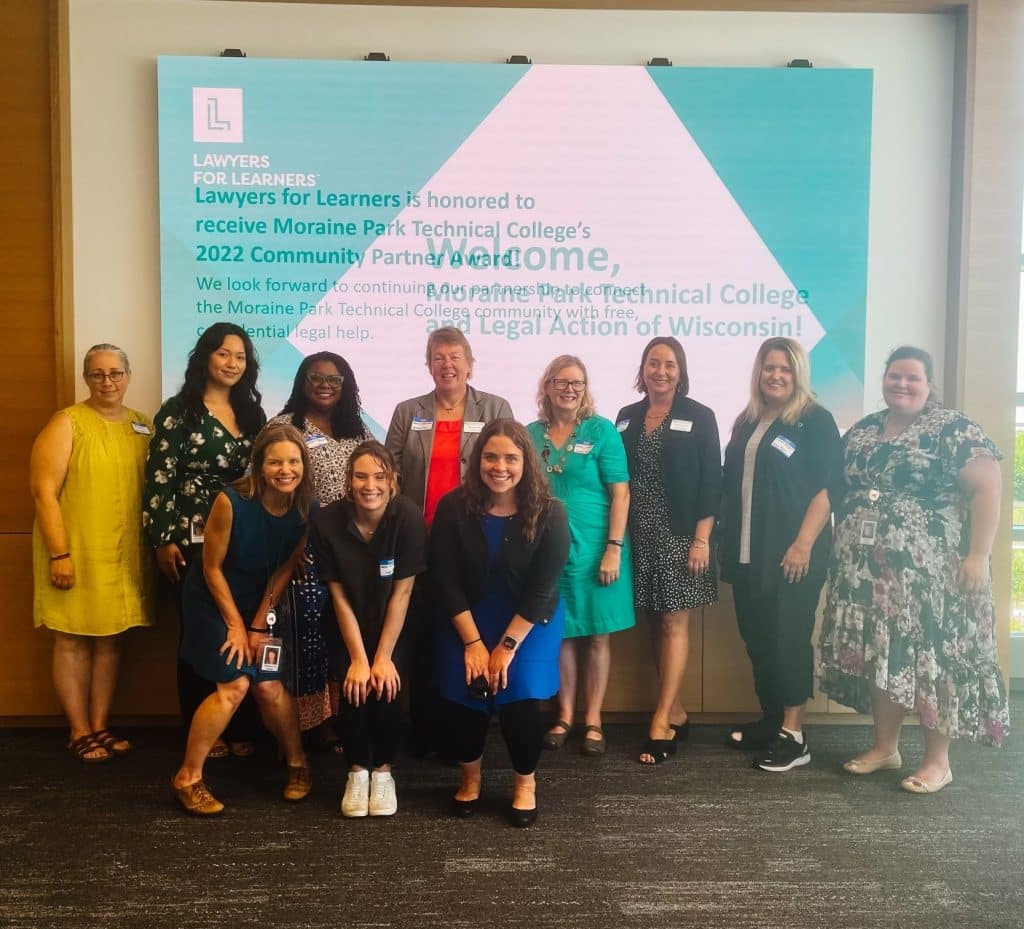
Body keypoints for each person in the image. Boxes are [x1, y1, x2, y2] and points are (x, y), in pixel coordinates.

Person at [819, 345, 1010, 793]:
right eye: (894, 376)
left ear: (929, 385)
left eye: (912, 378)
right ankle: (885, 748)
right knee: (885, 659)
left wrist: (979, 555)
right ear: (883, 379)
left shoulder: (954, 429)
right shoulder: (866, 429)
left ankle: (937, 762)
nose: (901, 384)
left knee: (931, 661)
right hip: (867, 575)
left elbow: (988, 489)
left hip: (932, 575)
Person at [431, 420, 569, 827]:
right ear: (477, 461)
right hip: (466, 616)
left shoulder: (551, 513)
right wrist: (473, 643)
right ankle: (470, 778)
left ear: (526, 461)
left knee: (520, 692)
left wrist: (505, 648)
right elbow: (444, 578)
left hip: (528, 621)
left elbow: (542, 589)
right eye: (491, 456)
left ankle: (525, 783)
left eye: (511, 457)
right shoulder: (453, 506)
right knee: (464, 689)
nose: (500, 466)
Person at [171, 424, 314, 815]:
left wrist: (257, 624)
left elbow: (285, 568)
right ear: (259, 465)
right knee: (234, 684)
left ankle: (299, 764)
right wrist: (236, 625)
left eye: (293, 461)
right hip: (212, 600)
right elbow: (211, 568)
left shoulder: (305, 506)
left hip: (259, 603)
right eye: (275, 462)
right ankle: (188, 778)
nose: (285, 470)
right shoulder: (231, 501)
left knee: (268, 686)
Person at [385, 326, 513, 757]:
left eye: (455, 356)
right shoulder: (409, 412)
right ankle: (426, 730)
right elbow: (391, 475)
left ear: (470, 363)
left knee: (472, 631)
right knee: (425, 634)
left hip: (477, 537)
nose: (447, 364)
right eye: (438, 357)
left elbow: (511, 468)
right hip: (420, 540)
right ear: (428, 364)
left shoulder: (495, 408)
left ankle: (471, 733)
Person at [719, 338, 842, 771]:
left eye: (785, 369)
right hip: (748, 553)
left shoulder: (815, 421)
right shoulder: (747, 419)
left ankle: (795, 734)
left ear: (798, 374)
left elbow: (829, 488)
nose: (776, 376)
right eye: (769, 368)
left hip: (794, 554)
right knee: (757, 638)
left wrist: (803, 543)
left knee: (788, 639)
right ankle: (772, 719)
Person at [143, 322, 266, 757]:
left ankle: (241, 725)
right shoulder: (180, 411)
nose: (232, 363)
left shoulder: (254, 414)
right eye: (223, 354)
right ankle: (201, 727)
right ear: (205, 358)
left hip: (244, 538)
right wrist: (162, 539)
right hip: (190, 539)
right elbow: (160, 478)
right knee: (199, 633)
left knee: (243, 628)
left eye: (240, 356)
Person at [30, 344, 155, 762]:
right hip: (75, 550)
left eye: (116, 373)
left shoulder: (142, 425)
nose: (108, 382)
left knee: (110, 641)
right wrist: (59, 554)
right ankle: (78, 730)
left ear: (129, 375)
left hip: (121, 554)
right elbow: (43, 493)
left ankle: (100, 725)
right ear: (86, 378)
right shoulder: (67, 423)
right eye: (98, 374)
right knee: (71, 639)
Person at [616, 337, 721, 765]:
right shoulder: (626, 417)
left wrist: (702, 540)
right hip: (638, 536)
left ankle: (661, 720)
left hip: (680, 536)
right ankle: (677, 708)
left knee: (674, 624)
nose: (661, 371)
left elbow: (712, 482)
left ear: (681, 371)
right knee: (654, 624)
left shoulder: (700, 416)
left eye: (670, 364)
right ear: (642, 369)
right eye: (653, 363)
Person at [310, 442, 427, 817]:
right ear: (349, 480)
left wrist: (382, 657)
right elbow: (338, 597)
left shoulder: (407, 517)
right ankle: (357, 771)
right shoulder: (327, 521)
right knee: (355, 686)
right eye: (361, 475)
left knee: (386, 686)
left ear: (392, 481)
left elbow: (403, 592)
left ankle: (384, 771)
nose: (369, 485)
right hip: (348, 621)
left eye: (379, 476)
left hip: (397, 620)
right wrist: (360, 659)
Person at [526, 355, 633, 756]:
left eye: (577, 383)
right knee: (562, 634)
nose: (569, 389)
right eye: (561, 382)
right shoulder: (530, 433)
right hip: (548, 547)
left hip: (596, 546)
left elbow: (620, 492)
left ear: (585, 389)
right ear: (547, 386)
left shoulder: (601, 430)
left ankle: (594, 720)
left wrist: (613, 549)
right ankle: (564, 715)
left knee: (597, 634)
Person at [268, 352, 372, 741]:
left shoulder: (357, 429)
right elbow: (264, 488)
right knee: (306, 637)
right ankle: (307, 726)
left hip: (350, 551)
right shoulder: (284, 426)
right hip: (302, 550)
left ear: (347, 385)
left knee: (345, 634)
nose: (326, 384)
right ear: (302, 381)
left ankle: (343, 717)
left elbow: (377, 476)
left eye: (335, 379)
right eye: (317, 377)